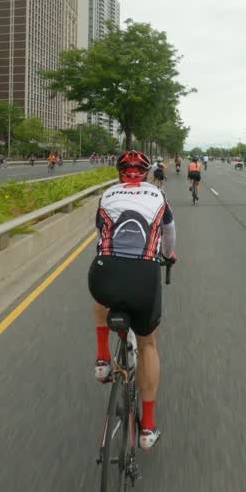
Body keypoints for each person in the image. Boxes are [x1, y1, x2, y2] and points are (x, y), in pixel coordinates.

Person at [89, 151, 176, 451]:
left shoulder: (106, 194)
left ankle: (102, 359)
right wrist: (168, 255)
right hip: (144, 277)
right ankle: (147, 429)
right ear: (148, 174)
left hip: (105, 274)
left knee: (101, 278)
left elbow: (100, 233)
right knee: (148, 344)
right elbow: (169, 235)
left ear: (119, 174)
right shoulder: (159, 195)